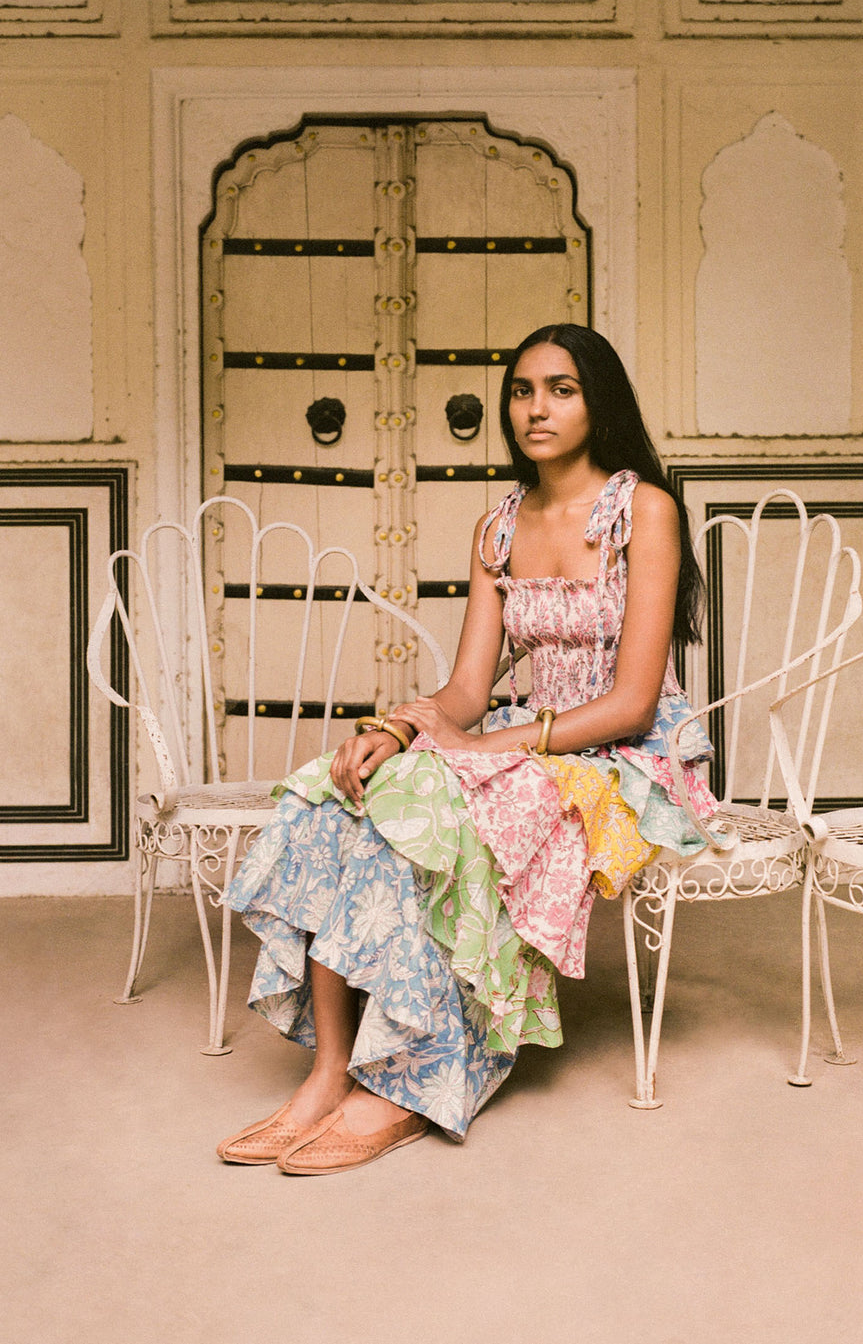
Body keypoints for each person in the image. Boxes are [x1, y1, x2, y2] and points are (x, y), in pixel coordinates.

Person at [216, 323, 718, 1175]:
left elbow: (633, 700)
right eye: (522, 390)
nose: (537, 407)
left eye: (561, 388)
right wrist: (401, 728)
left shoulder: (644, 511)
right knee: (345, 792)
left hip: (628, 756)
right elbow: (466, 690)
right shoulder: (499, 526)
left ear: (599, 399)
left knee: (451, 802)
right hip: (523, 740)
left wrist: (486, 748)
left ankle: (413, 1079)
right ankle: (329, 1069)